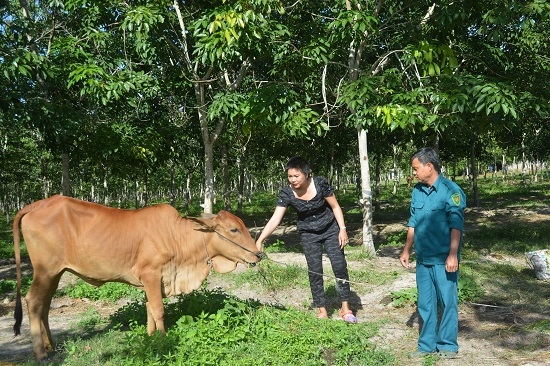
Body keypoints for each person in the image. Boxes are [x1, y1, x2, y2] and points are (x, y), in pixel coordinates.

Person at [256, 156, 357, 323]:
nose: (293, 180)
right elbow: (275, 219)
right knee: (315, 270)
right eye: (290, 176)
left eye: (296, 176)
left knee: (339, 266)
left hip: (330, 229)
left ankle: (346, 308)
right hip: (308, 234)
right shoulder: (286, 193)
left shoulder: (320, 184)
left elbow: (335, 206)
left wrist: (342, 229)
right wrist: (259, 240)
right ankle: (322, 310)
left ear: (307, 174)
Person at [399, 147, 466, 359]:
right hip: (423, 258)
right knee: (425, 304)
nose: (414, 173)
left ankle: (447, 345)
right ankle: (426, 345)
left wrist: (453, 254)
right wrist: (407, 249)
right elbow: (413, 223)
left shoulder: (451, 191)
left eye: (416, 169)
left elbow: (456, 225)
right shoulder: (417, 191)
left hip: (444, 258)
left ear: (429, 166)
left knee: (447, 302)